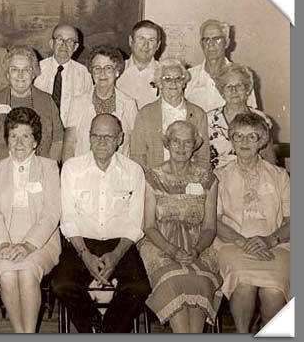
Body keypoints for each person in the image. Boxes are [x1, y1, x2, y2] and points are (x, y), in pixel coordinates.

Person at [53, 113, 150, 333]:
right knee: (62, 285)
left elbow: (135, 223)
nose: (101, 142)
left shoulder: (133, 171)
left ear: (120, 139)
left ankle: (108, 331)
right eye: (96, 136)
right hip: (81, 243)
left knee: (138, 287)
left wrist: (116, 256)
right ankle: (93, 328)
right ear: (89, 137)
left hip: (121, 245)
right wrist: (85, 255)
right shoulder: (72, 169)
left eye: (108, 137)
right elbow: (68, 219)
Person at [138, 120, 222, 333]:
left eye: (187, 142)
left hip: (197, 246)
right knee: (174, 281)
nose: (182, 147)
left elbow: (210, 227)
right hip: (160, 244)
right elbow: (148, 226)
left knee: (200, 280)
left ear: (195, 145)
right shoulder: (152, 176)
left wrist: (196, 250)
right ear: (167, 143)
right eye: (176, 141)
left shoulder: (208, 179)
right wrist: (173, 251)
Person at [0, 107, 61, 333]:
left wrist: (28, 245)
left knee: (27, 273)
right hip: (2, 239)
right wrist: (4, 243)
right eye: (13, 136)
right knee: (7, 273)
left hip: (41, 240)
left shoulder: (48, 168)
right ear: (7, 141)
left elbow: (51, 213)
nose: (19, 143)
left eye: (25, 136)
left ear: (35, 141)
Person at [214, 113, 290, 333]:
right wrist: (241, 241)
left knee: (273, 291)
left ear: (262, 141)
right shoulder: (219, 176)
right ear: (231, 139)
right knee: (244, 285)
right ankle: (242, 333)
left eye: (252, 136)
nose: (245, 142)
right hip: (232, 245)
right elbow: (214, 222)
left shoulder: (280, 176)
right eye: (238, 136)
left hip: (276, 245)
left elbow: (292, 220)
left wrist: (269, 239)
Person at [0, 45, 63, 163]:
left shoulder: (46, 101)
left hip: (38, 173)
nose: (20, 75)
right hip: (1, 172)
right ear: (7, 74)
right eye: (14, 69)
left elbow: (58, 141)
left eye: (26, 69)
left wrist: (47, 169)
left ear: (34, 73)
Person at [131, 58, 210, 171]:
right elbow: (137, 155)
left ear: (184, 83)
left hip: (189, 182)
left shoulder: (199, 114)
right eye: (167, 79)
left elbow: (203, 157)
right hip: (154, 181)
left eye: (178, 78)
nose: (173, 83)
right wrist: (151, 182)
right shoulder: (145, 114)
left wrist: (195, 184)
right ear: (160, 83)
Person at [63, 45, 138, 161]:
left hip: (119, 172)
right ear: (91, 72)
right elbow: (69, 145)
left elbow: (135, 147)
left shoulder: (129, 104)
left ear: (117, 71)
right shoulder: (78, 102)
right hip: (83, 172)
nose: (102, 73)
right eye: (97, 68)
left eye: (108, 68)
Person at [208, 63, 276, 169]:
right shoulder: (208, 120)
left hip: (253, 178)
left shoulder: (262, 119)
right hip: (218, 179)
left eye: (239, 86)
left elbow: (269, 160)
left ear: (247, 90)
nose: (233, 91)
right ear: (221, 92)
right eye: (228, 87)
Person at [185, 19, 258, 112]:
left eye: (217, 39)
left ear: (227, 42)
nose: (211, 44)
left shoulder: (242, 75)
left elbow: (252, 116)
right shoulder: (189, 77)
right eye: (206, 40)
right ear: (201, 44)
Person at [33, 24, 93, 124]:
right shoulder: (36, 70)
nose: (64, 45)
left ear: (75, 47)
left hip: (72, 131)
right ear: (51, 43)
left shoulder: (84, 74)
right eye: (60, 39)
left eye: (69, 41)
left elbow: (88, 109)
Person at [116, 20, 163, 109]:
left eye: (151, 40)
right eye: (141, 39)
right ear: (131, 41)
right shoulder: (116, 70)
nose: (146, 45)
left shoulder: (165, 73)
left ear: (158, 45)